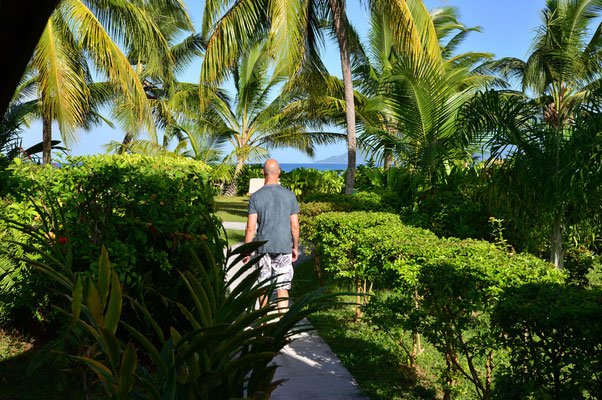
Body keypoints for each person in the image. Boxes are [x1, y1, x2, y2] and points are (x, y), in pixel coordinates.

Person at [243, 159, 300, 314]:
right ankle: (283, 327)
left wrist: (246, 251)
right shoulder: (290, 196)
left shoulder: (255, 197)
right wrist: (294, 247)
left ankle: (262, 325)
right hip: (284, 246)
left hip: (263, 248)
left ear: (263, 173)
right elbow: (295, 226)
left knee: (263, 288)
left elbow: (250, 227)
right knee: (282, 288)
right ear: (279, 172)